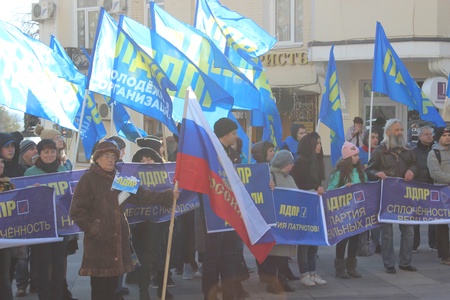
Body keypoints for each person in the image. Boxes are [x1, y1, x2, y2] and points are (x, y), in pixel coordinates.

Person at [69, 141, 178, 300]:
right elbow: (77, 211)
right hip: (98, 244)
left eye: (113, 156)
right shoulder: (88, 179)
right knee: (99, 289)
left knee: (112, 288)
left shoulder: (120, 178)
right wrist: (95, 228)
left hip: (117, 242)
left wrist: (167, 196)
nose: (110, 160)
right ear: (97, 158)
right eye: (106, 156)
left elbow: (142, 195)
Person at [201, 117, 248, 300]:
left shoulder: (233, 154)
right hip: (214, 214)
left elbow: (245, 178)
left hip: (231, 214)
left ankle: (230, 294)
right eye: (234, 133)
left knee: (230, 255)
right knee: (212, 257)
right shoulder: (211, 153)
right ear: (224, 134)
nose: (236, 136)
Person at [366, 119, 417, 274]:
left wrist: (412, 171)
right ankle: (389, 263)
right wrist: (377, 173)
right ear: (388, 132)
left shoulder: (408, 150)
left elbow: (415, 165)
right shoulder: (380, 150)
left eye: (401, 129)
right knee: (387, 232)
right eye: (396, 130)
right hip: (386, 196)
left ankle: (405, 262)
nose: (400, 132)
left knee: (408, 231)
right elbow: (369, 170)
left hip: (404, 196)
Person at [24, 139, 69, 300]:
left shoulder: (63, 169)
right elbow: (25, 199)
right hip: (40, 227)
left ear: (57, 153)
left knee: (58, 264)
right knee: (42, 265)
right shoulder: (30, 173)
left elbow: (69, 197)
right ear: (40, 153)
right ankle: (44, 296)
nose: (49, 155)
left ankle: (57, 295)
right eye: (46, 151)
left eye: (52, 151)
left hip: (60, 226)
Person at [130, 147, 176, 300]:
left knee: (163, 257)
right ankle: (144, 292)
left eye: (149, 159)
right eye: (141, 161)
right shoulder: (132, 178)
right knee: (144, 261)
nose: (146, 163)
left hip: (161, 224)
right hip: (141, 226)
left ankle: (163, 290)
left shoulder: (166, 176)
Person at [290, 132, 327, 287]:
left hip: (315, 204)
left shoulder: (317, 161)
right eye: (317, 143)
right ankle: (304, 273)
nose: (319, 146)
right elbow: (296, 184)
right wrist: (313, 188)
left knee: (314, 239)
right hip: (303, 204)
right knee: (304, 241)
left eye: (320, 143)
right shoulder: (301, 162)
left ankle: (313, 272)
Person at [328, 142, 367, 279]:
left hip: (356, 211)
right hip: (343, 212)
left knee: (354, 239)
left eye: (357, 154)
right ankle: (340, 269)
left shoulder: (361, 172)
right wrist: (344, 187)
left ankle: (351, 267)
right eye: (355, 155)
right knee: (343, 239)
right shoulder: (339, 173)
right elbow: (330, 190)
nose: (357, 157)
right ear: (348, 157)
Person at [264, 150, 297, 294]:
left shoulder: (289, 178)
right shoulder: (270, 175)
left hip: (288, 222)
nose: (293, 165)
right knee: (275, 256)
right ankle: (272, 283)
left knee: (284, 256)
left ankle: (282, 280)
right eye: (291, 162)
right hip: (277, 223)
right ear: (285, 164)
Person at [14, 139, 38, 297]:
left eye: (37, 149)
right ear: (23, 152)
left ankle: (35, 282)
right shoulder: (17, 169)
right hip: (20, 217)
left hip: (36, 216)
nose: (35, 152)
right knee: (21, 254)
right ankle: (21, 284)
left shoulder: (37, 168)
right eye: (32, 149)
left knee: (36, 252)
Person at [411, 126, 437, 253]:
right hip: (418, 186)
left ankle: (434, 243)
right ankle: (414, 244)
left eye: (430, 134)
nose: (429, 136)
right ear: (420, 136)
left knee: (433, 216)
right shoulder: (413, 151)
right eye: (426, 134)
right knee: (416, 216)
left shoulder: (437, 150)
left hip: (433, 187)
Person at [427, 127, 450, 265]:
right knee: (442, 225)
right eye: (444, 135)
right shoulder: (434, 153)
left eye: (449, 135)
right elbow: (435, 173)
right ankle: (445, 255)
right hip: (442, 192)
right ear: (439, 137)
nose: (447, 137)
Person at [0, 152, 15, 300]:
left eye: (2, 163)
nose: (1, 166)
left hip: (5, 237)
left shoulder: (8, 184)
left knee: (4, 277)